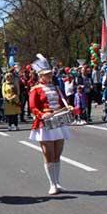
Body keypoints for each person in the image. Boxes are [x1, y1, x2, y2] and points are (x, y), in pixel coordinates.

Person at [29, 54, 72, 195]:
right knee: (49, 154)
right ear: (40, 76)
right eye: (46, 75)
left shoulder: (56, 88)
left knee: (57, 154)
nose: (49, 77)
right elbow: (33, 107)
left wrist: (68, 107)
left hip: (58, 121)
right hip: (45, 122)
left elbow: (62, 102)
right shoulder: (35, 89)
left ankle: (58, 182)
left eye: (50, 75)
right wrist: (42, 115)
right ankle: (52, 184)